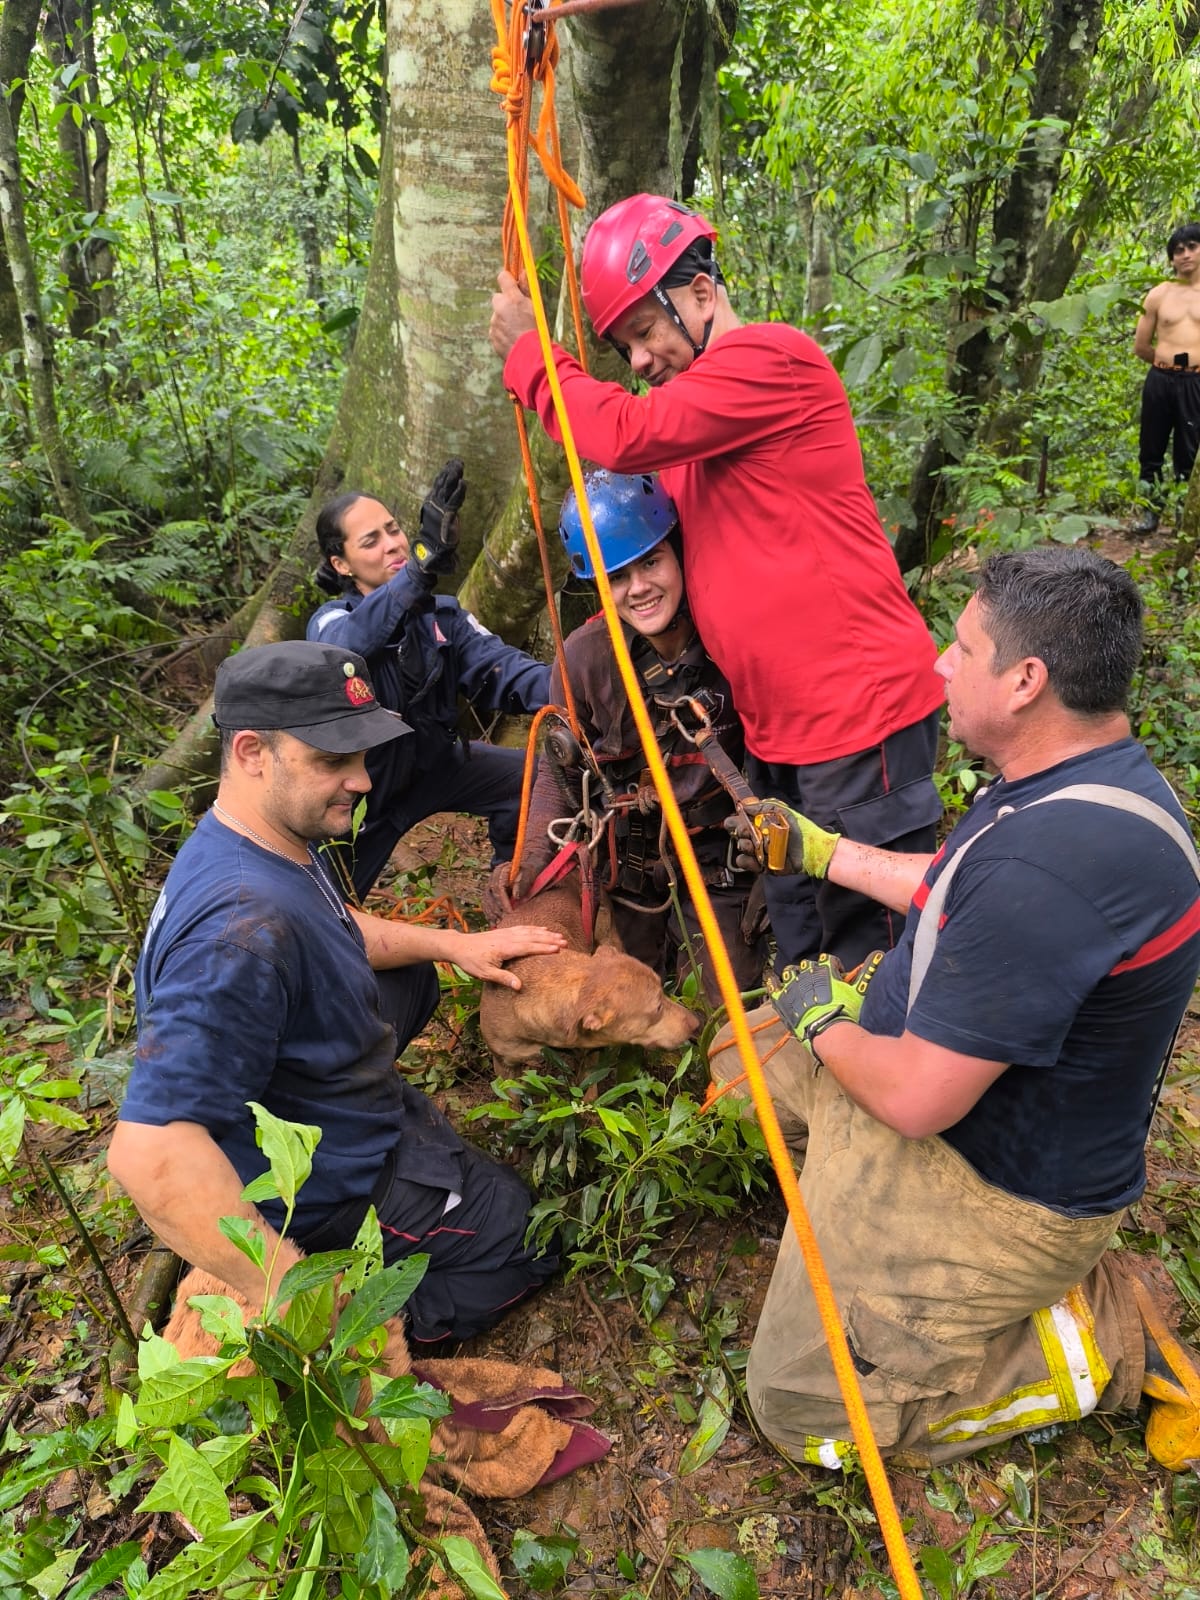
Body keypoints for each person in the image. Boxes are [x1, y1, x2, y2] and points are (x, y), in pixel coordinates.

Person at [711, 546, 1200, 1470]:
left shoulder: (1050, 870)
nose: (940, 662)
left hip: (990, 1184)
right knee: (736, 1064)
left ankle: (1098, 1340)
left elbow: (914, 1101)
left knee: (801, 1406)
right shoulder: (1077, 780)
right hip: (937, 1079)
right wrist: (823, 853)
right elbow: (955, 886)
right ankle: (865, 1255)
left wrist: (825, 1021)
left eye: (964, 647)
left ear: (1026, 681)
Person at [488, 195, 945, 973]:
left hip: (856, 717)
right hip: (777, 730)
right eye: (625, 347)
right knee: (800, 932)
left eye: (644, 332)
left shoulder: (772, 360)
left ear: (700, 292)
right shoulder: (695, 436)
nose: (638, 361)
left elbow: (624, 433)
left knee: (870, 942)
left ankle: (896, 1051)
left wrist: (533, 356)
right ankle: (811, 1046)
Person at [107, 641, 567, 1345]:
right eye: (331, 760)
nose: (362, 780)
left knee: (410, 976)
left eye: (360, 755)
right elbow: (149, 1153)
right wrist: (286, 1291)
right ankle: (350, 1332)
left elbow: (335, 924)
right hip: (317, 1184)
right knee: (526, 1238)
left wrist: (454, 945)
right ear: (253, 752)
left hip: (302, 1097)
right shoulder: (238, 935)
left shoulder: (256, 838)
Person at [500, 468, 764, 1001]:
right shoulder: (585, 659)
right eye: (617, 575)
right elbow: (559, 772)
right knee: (623, 1007)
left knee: (724, 1007)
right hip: (628, 868)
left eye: (651, 562)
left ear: (677, 551)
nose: (639, 587)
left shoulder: (733, 635)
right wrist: (530, 866)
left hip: (719, 863)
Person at [307, 461, 552, 899]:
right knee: (327, 905)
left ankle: (512, 891)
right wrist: (418, 568)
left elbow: (506, 669)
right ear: (341, 564)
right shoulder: (331, 622)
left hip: (438, 767)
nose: (393, 544)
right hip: (364, 795)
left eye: (394, 530)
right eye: (371, 541)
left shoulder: (444, 617)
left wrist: (581, 684)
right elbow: (348, 648)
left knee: (536, 778)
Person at [1132, 222, 1200, 533]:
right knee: (1151, 448)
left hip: (1195, 382)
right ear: (1171, 258)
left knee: (1189, 451)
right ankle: (1150, 513)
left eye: (1192, 247)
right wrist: (1166, 364)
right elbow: (1141, 345)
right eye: (1178, 250)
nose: (1185, 254)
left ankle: (1184, 518)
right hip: (1160, 379)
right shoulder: (1159, 294)